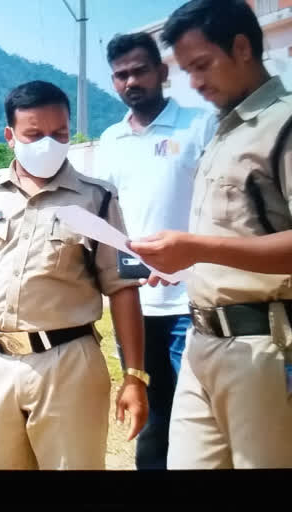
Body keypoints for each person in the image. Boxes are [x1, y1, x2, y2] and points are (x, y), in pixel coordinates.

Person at [0, 80, 148, 470]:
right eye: (34, 134)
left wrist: (135, 376)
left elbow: (124, 288)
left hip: (67, 365)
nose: (48, 144)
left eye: (60, 134)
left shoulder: (97, 199)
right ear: (10, 136)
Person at [130, 0, 292, 469]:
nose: (195, 83)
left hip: (263, 347)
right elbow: (241, 234)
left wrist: (197, 248)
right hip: (202, 341)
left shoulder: (282, 124)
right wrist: (187, 264)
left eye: (202, 65)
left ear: (242, 47)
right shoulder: (224, 130)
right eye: (186, 71)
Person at [93, 31, 217, 469]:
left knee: (198, 416)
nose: (131, 82)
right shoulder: (110, 141)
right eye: (120, 75)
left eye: (139, 70)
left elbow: (220, 207)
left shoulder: (201, 126)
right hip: (135, 304)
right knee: (148, 414)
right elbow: (105, 219)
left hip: (193, 301)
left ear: (162, 72)